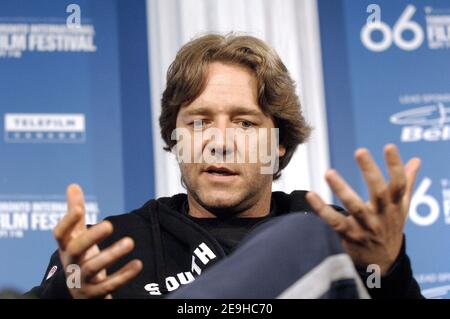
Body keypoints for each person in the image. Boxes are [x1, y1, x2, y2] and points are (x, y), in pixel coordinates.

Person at [26, 33, 422, 299]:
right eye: (198, 122)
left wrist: (388, 270)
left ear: (280, 142)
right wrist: (70, 290)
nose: (219, 143)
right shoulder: (107, 249)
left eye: (245, 123)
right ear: (174, 138)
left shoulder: (341, 237)